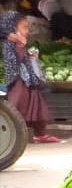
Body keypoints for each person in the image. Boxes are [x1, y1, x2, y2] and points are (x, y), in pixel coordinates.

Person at [1, 11, 58, 144]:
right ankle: (11, 137)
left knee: (38, 107)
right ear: (12, 30)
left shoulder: (18, 42)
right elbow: (13, 62)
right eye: (24, 28)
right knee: (16, 108)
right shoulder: (8, 44)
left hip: (28, 82)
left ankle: (40, 134)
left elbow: (23, 58)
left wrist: (30, 55)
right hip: (18, 83)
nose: (28, 31)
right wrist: (22, 48)